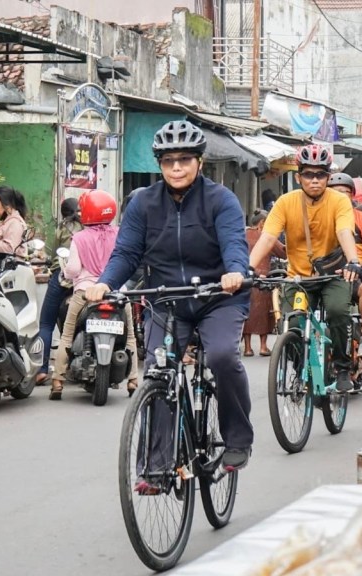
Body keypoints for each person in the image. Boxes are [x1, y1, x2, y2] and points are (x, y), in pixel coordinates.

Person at [84, 120, 254, 473]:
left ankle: (237, 439)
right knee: (158, 371)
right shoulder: (143, 203)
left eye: (184, 159)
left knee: (222, 356)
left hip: (218, 297)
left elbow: (234, 244)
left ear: (199, 162)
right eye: (168, 160)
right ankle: (158, 465)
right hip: (166, 300)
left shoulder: (221, 200)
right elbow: (126, 253)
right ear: (159, 164)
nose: (176, 167)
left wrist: (235, 272)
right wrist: (105, 282)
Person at [248, 144, 362, 392]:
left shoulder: (339, 201)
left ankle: (343, 367)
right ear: (298, 177)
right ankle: (302, 367)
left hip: (332, 275)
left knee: (337, 312)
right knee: (292, 325)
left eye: (320, 174)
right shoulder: (285, 202)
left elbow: (344, 231)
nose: (315, 180)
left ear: (328, 177)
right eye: (308, 174)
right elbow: (268, 238)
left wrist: (353, 260)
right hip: (298, 278)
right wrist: (248, 267)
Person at [51, 190, 137, 399]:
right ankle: (134, 379)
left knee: (67, 335)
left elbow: (72, 270)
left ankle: (58, 381)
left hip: (85, 293)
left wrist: (67, 272)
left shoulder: (79, 238)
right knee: (130, 336)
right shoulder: (120, 233)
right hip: (117, 293)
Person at [327, 172, 362, 358]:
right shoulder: (319, 217)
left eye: (343, 192)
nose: (339, 196)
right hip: (326, 273)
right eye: (334, 192)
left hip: (357, 272)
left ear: (352, 195)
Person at [35, 196, 83, 385]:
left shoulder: (61, 228)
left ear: (63, 213)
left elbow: (54, 253)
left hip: (61, 278)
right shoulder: (88, 227)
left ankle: (41, 370)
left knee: (46, 323)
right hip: (83, 280)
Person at [243, 210, 285, 357]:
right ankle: (263, 347)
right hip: (263, 278)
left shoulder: (243, 234)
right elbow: (283, 252)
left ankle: (247, 348)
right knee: (264, 314)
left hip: (246, 278)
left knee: (247, 312)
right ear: (262, 223)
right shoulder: (266, 236)